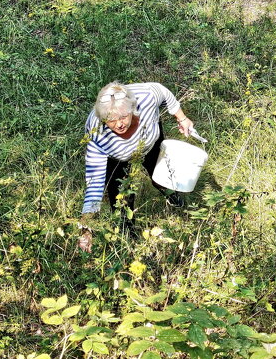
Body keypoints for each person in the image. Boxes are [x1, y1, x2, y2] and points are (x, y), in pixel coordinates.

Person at [78, 82, 196, 252]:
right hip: (117, 156)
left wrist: (182, 118)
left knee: (161, 174)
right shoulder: (97, 132)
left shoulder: (146, 97)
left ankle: (173, 197)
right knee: (120, 197)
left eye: (123, 117)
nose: (119, 124)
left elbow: (164, 93)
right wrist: (86, 229)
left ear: (132, 108)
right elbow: (94, 183)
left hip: (149, 141)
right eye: (111, 120)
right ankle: (128, 237)